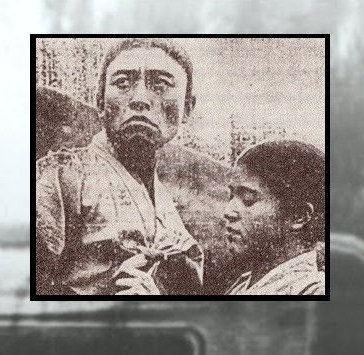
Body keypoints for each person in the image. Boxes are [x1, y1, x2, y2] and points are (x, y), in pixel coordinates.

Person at [36, 37, 203, 297]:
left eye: (160, 84)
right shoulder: (61, 178)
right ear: (100, 102)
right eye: (122, 83)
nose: (140, 99)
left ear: (187, 108)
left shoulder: (168, 207)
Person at [224, 140, 325, 296]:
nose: (227, 212)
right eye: (230, 196)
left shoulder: (313, 292)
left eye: (248, 199)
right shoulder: (241, 286)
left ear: (298, 216)